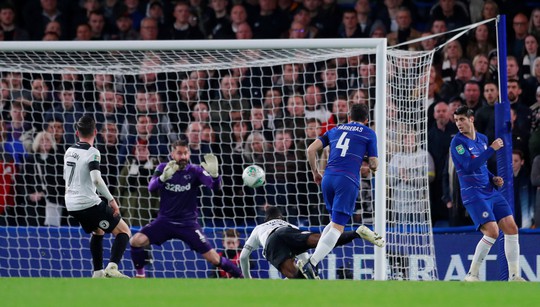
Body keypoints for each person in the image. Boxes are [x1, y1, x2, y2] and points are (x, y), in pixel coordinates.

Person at [129, 140, 243, 278]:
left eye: (185, 153)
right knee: (136, 241)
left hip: (188, 224)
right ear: (172, 154)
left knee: (213, 258)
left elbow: (214, 187)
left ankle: (242, 277)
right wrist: (163, 178)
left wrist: (215, 176)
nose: (183, 156)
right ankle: (140, 276)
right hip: (165, 221)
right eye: (179, 153)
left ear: (189, 153)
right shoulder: (163, 168)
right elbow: (151, 188)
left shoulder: (195, 170)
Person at [301, 103, 380, 279]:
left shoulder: (335, 129)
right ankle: (311, 264)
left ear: (349, 117)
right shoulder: (368, 133)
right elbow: (374, 164)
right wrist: (369, 160)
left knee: (332, 223)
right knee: (338, 228)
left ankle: (311, 262)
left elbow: (310, 149)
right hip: (347, 180)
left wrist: (315, 172)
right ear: (366, 120)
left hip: (328, 178)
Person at [450, 106, 525, 282]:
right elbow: (468, 166)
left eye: (462, 119)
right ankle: (472, 274)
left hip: (489, 190)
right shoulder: (457, 143)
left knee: (511, 228)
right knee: (492, 231)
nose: (459, 124)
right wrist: (492, 149)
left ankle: (514, 276)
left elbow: (481, 166)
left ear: (471, 119)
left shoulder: (482, 139)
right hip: (473, 194)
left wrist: (493, 179)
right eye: (456, 120)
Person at [63, 115, 131, 278]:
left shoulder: (69, 151)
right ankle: (112, 267)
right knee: (124, 231)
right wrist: (111, 199)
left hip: (71, 204)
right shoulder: (93, 153)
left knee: (98, 231)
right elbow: (96, 179)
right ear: (95, 132)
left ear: (76, 132)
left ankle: (98, 272)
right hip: (87, 203)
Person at [239, 205, 384, 279]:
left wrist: (248, 278)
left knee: (298, 280)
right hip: (287, 233)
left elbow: (243, 256)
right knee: (324, 240)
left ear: (266, 219)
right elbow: (303, 257)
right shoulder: (289, 225)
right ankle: (356, 233)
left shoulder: (258, 228)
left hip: (271, 240)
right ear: (281, 217)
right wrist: (311, 269)